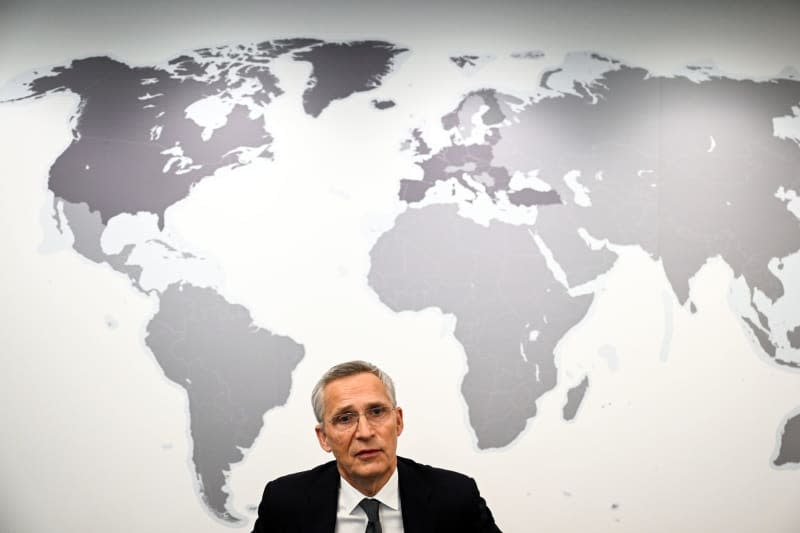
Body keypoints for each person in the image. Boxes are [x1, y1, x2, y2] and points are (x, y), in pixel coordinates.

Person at [252, 360, 502, 532]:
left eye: (377, 411)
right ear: (324, 438)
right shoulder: (284, 503)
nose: (365, 432)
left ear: (398, 421)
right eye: (345, 418)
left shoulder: (455, 497)